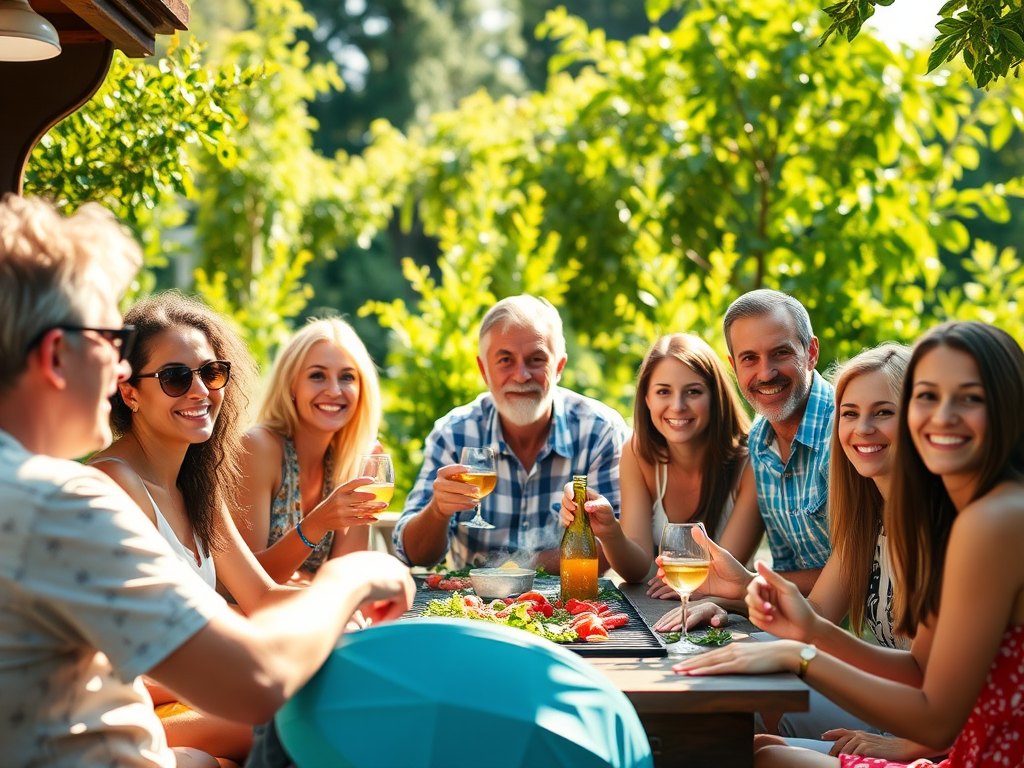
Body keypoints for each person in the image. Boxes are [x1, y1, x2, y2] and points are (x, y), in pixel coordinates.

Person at [0, 195, 414, 768]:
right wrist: (354, 576)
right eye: (106, 342)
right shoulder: (64, 501)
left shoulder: (35, 492)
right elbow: (255, 679)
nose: (118, 367)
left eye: (211, 372)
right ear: (54, 356)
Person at [673, 321, 1024, 768]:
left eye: (969, 398)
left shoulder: (990, 521)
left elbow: (935, 720)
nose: (943, 416)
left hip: (973, 756)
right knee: (758, 744)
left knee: (760, 755)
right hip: (963, 744)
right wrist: (803, 633)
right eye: (928, 397)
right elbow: (920, 672)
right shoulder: (966, 514)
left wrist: (800, 655)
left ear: (1006, 406)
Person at [87, 292, 292, 764]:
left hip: (192, 692)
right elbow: (115, 658)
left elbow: (261, 597)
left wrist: (352, 608)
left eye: (211, 372)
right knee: (290, 722)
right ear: (130, 392)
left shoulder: (194, 486)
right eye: (176, 378)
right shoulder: (113, 484)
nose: (200, 390)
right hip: (125, 710)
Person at [394, 295, 629, 571]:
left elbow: (612, 549)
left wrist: (514, 567)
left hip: (572, 607)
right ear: (484, 371)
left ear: (560, 368)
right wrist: (437, 510)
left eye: (536, 359)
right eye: (505, 360)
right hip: (468, 607)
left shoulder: (601, 432)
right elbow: (413, 555)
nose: (521, 375)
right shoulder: (454, 433)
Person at [557, 333, 760, 620]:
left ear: (716, 397)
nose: (677, 406)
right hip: (659, 612)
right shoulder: (638, 452)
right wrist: (607, 529)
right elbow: (637, 569)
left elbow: (722, 579)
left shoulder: (750, 460)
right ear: (647, 399)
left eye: (693, 392)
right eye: (663, 391)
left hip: (730, 619)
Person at [237, 319, 386, 585]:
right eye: (317, 376)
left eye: (347, 377)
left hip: (314, 612)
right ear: (291, 384)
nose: (334, 390)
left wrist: (304, 580)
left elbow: (345, 578)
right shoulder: (257, 447)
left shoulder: (362, 457)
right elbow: (243, 582)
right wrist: (316, 524)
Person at [722, 289, 835, 595]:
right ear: (734, 367)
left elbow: (862, 571)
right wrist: (726, 603)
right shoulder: (760, 441)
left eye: (781, 353)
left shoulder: (845, 432)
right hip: (808, 628)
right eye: (749, 359)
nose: (766, 373)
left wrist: (746, 587)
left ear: (811, 353)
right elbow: (789, 572)